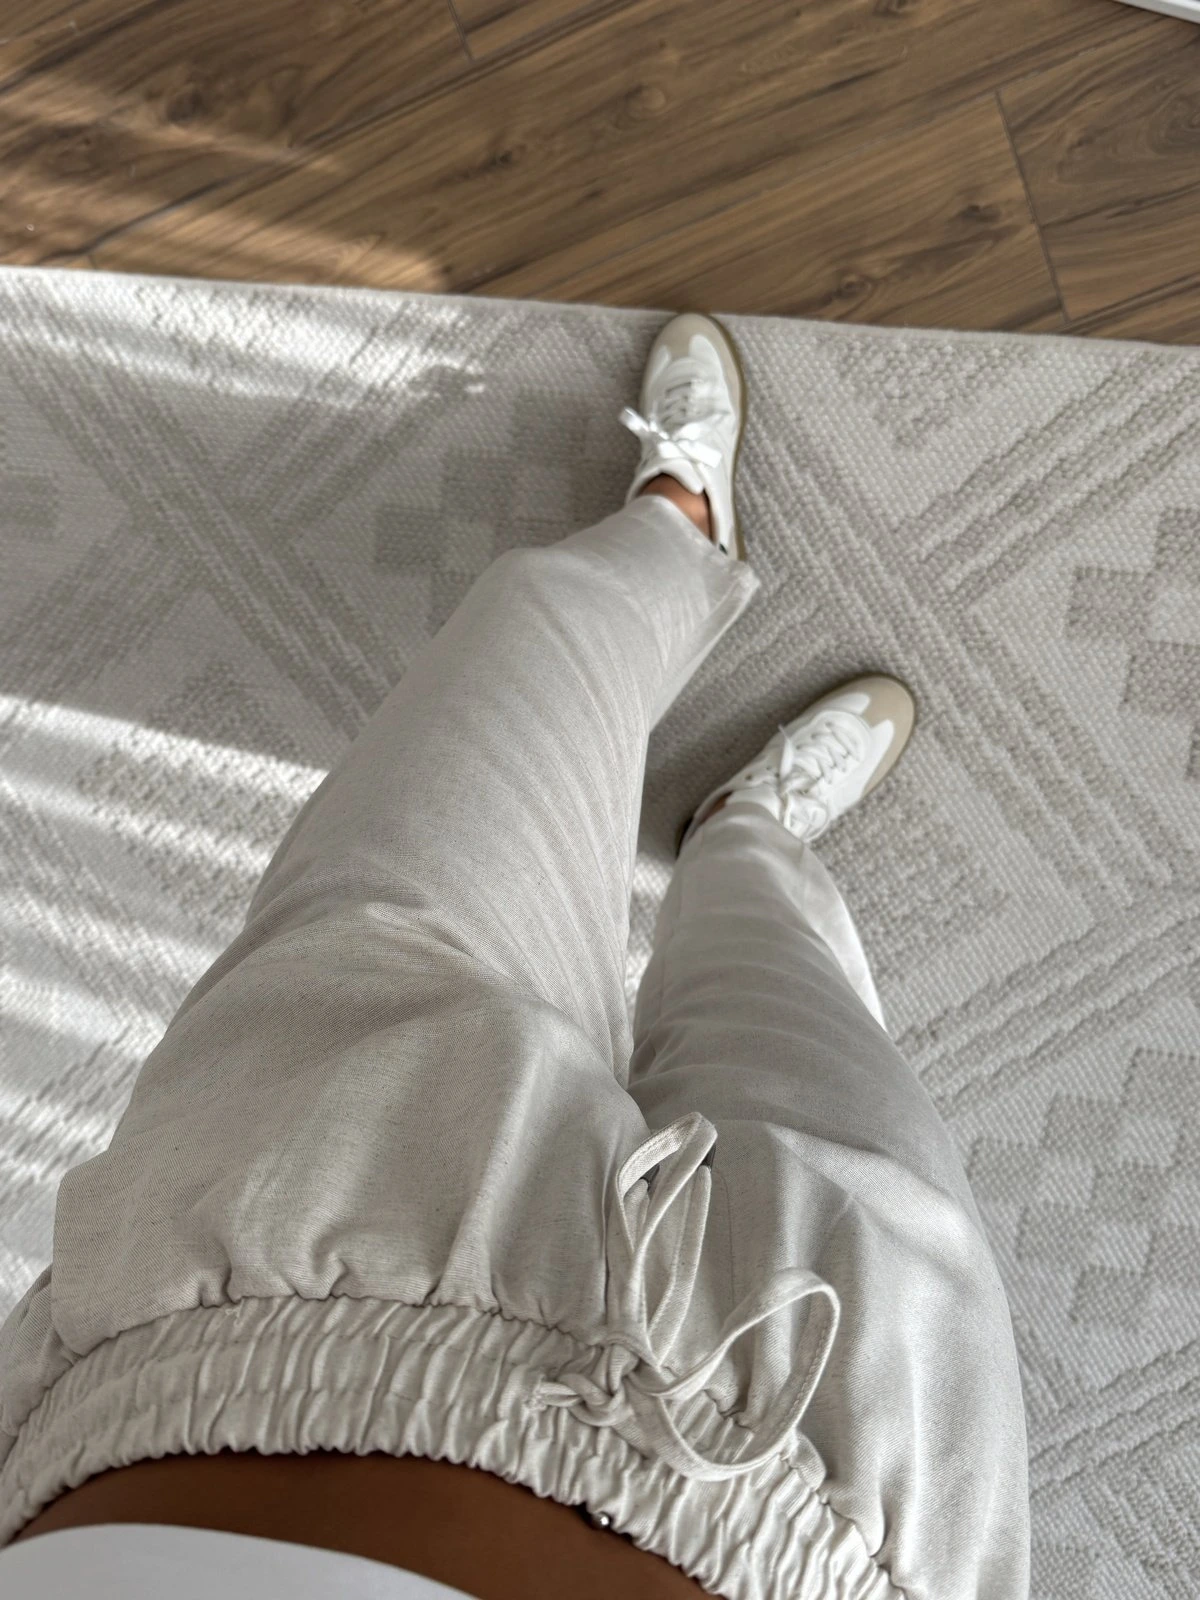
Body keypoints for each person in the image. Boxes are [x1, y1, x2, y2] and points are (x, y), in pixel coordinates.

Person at [0, 314, 1031, 1599]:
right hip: (826, 1498)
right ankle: (744, 834)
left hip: (250, 1299)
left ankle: (673, 530)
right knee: (790, 985)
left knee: (510, 674)